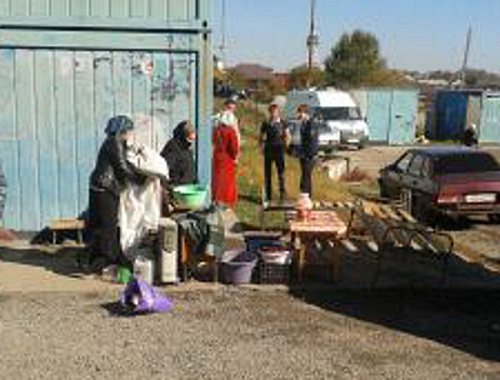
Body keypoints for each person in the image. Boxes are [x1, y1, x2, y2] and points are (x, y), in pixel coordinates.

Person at [87, 115, 145, 271]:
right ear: (122, 131)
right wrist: (141, 179)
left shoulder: (112, 142)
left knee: (99, 225)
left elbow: (122, 164)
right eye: (128, 131)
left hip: (99, 186)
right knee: (109, 226)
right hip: (105, 188)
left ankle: (92, 259)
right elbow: (122, 167)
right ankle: (108, 260)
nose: (130, 134)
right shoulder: (115, 143)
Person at [260, 104, 290, 201]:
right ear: (269, 112)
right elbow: (261, 136)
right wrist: (261, 147)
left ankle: (282, 195)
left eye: (275, 112)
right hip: (268, 150)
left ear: (278, 112)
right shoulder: (266, 123)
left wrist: (286, 147)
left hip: (279, 150)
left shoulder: (283, 122)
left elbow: (288, 135)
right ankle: (268, 196)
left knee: (281, 173)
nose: (274, 114)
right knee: (267, 174)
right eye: (272, 112)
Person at [212, 111, 240, 208]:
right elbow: (234, 148)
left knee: (217, 179)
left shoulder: (216, 129)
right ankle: (225, 200)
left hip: (217, 156)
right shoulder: (230, 131)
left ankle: (216, 198)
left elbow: (213, 141)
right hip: (227, 158)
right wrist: (235, 156)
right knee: (227, 181)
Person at [160, 121, 196, 186]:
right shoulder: (173, 147)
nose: (191, 142)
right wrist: (171, 186)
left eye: (192, 139)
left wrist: (195, 182)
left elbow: (190, 168)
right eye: (189, 139)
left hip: (189, 188)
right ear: (183, 135)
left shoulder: (187, 147)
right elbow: (164, 168)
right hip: (178, 189)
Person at [297, 104, 319, 196]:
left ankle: (305, 195)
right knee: (306, 176)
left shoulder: (311, 123)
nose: (298, 115)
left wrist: (310, 155)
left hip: (310, 155)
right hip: (304, 154)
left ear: (305, 113)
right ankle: (308, 196)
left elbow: (312, 142)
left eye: (300, 113)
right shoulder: (303, 123)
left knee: (305, 177)